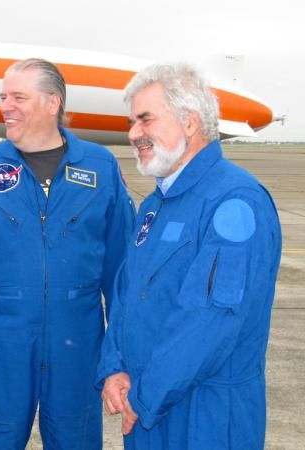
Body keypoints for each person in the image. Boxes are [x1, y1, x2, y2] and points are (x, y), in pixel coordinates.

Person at [0, 58, 135, 449]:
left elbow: (121, 273)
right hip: (0, 346)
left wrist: (120, 354)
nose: (5, 106)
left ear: (52, 103)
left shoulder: (100, 167)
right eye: (3, 97)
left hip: (79, 346)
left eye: (18, 97)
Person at [97, 63, 282, 449]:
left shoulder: (235, 202)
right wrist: (113, 368)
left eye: (145, 120)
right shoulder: (154, 205)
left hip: (206, 417)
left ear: (189, 122)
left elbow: (209, 323)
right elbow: (126, 292)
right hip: (147, 407)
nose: (133, 134)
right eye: (132, 122)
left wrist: (144, 397)